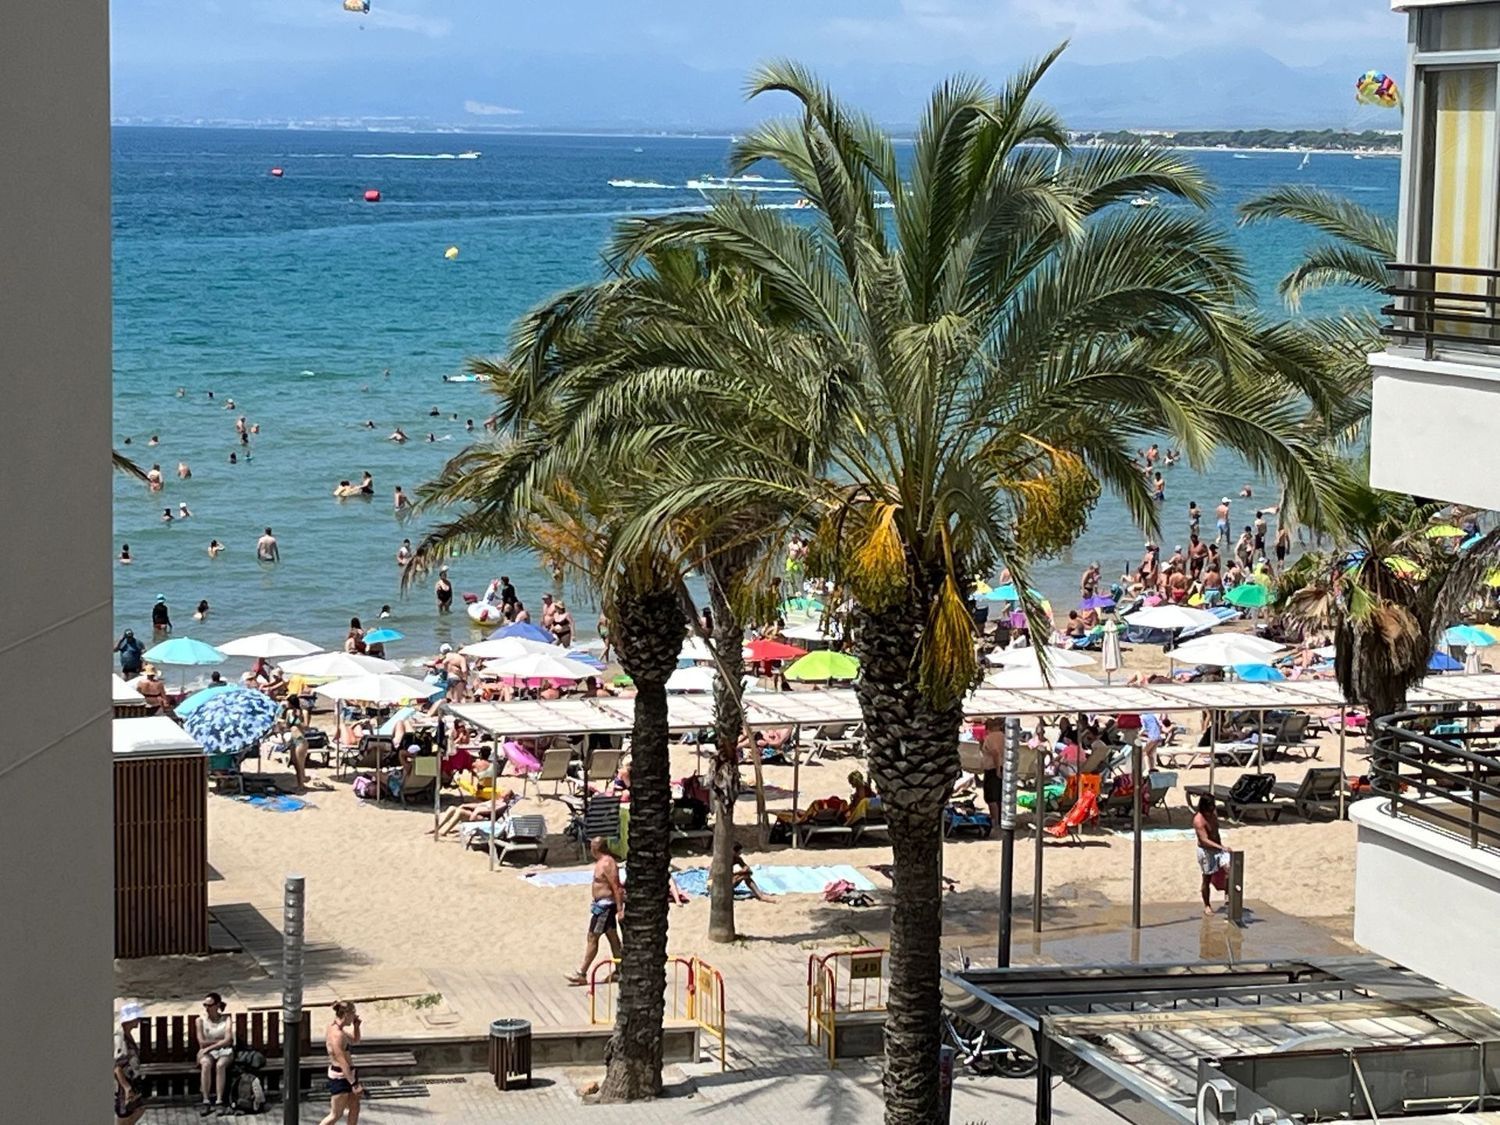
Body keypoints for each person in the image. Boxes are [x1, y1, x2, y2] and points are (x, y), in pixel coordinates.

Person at [568, 838, 624, 985]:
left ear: (596, 848)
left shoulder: (607, 863)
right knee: (612, 937)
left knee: (593, 937)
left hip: (606, 907)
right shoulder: (601, 862)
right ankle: (621, 969)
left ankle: (582, 973)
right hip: (601, 905)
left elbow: (616, 886)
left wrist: (620, 909)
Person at [319, 1001, 363, 1125]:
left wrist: (356, 1026)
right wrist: (354, 1084)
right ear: (346, 1014)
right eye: (353, 1013)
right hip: (341, 1076)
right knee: (336, 1114)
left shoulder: (339, 1029)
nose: (355, 1016)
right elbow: (341, 1060)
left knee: (355, 1107)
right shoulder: (337, 1035)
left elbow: (355, 1040)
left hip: (349, 1074)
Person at [196, 992, 235, 1116]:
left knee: (220, 1065)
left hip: (224, 1051)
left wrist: (212, 1045)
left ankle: (219, 1101)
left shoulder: (226, 1019)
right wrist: (220, 1042)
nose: (207, 1008)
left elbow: (229, 1039)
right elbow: (202, 1042)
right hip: (207, 1051)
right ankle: (206, 1101)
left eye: (209, 1005)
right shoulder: (200, 1020)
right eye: (205, 1005)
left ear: (217, 1005)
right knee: (206, 1064)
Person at [1193, 793, 1230, 916]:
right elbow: (1204, 840)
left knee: (1230, 869)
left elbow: (1216, 831)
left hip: (1219, 848)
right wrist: (1221, 847)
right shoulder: (1198, 820)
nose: (1212, 809)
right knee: (1206, 879)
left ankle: (1228, 896)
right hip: (1206, 851)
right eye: (1210, 807)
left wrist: (1221, 848)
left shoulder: (1214, 813)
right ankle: (1207, 905)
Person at [114, 1001, 148, 1124]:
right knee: (124, 1117)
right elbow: (117, 1067)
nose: (138, 1021)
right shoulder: (120, 1038)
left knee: (137, 1109)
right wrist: (127, 1088)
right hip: (124, 1086)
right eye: (137, 1018)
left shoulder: (127, 1035)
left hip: (132, 1081)